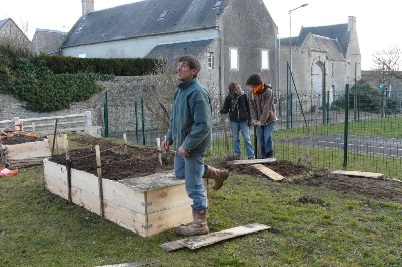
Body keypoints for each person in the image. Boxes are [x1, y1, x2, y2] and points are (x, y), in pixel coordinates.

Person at [162, 55, 229, 237]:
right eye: (178, 66)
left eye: (183, 66)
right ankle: (217, 173)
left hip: (194, 146)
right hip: (183, 144)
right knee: (180, 173)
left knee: (193, 185)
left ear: (194, 71)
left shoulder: (197, 93)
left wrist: (187, 145)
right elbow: (175, 119)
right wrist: (169, 137)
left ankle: (200, 224)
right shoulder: (180, 91)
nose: (178, 69)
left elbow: (203, 125)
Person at [220, 82, 255, 159]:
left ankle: (251, 155)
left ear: (238, 88)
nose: (235, 92)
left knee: (247, 138)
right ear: (230, 91)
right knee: (235, 138)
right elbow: (226, 108)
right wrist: (223, 110)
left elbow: (248, 108)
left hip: (244, 120)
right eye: (233, 90)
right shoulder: (228, 98)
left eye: (236, 90)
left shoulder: (244, 96)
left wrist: (249, 119)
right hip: (234, 121)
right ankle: (237, 154)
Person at [246, 74, 277, 158]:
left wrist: (261, 121)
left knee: (267, 136)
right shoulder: (252, 93)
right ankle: (262, 156)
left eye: (251, 85)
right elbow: (252, 107)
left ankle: (269, 154)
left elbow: (267, 108)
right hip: (259, 120)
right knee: (261, 138)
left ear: (256, 83)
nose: (251, 87)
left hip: (269, 119)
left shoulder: (268, 91)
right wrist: (255, 120)